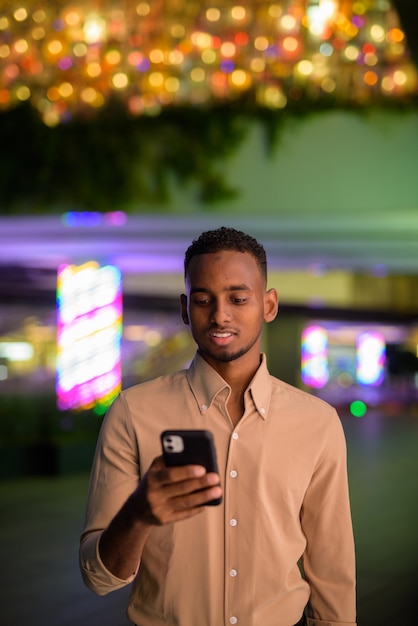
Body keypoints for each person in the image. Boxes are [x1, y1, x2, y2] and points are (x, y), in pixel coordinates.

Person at [80, 227, 357, 626]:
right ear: (184, 308)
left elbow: (331, 566)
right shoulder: (133, 412)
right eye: (203, 300)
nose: (220, 315)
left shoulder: (317, 422)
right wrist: (138, 513)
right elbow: (99, 578)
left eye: (238, 299)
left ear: (269, 305)